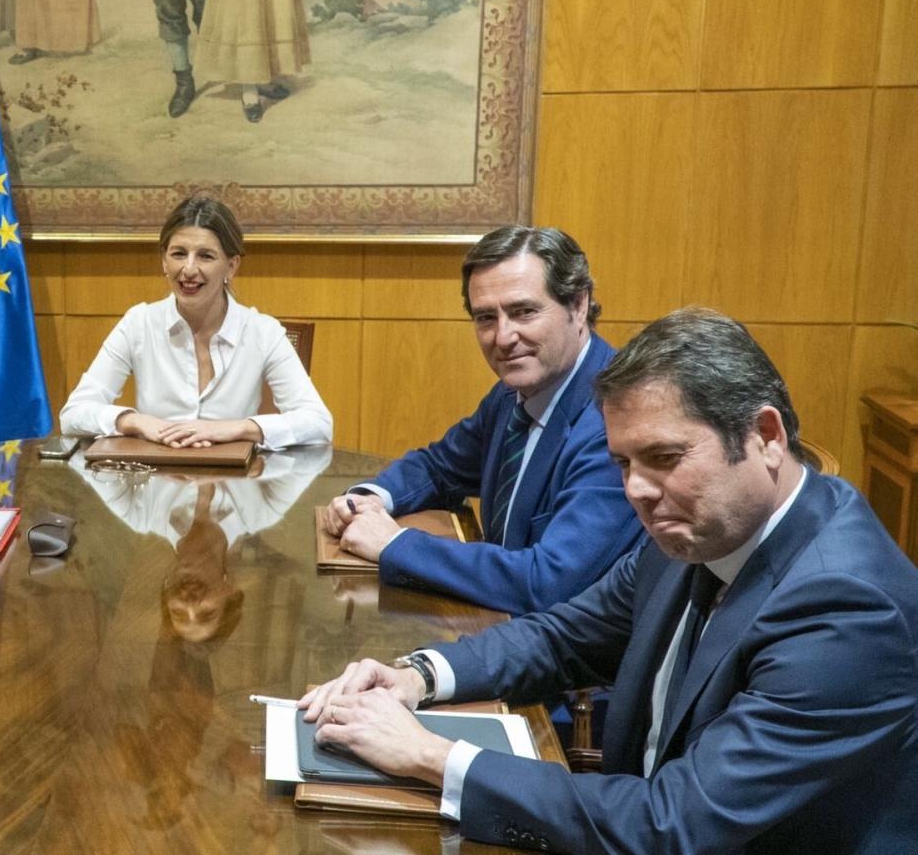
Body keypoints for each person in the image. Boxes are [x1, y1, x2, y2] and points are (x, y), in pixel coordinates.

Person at [301, 309, 918, 854]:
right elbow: (566, 637)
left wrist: (431, 756)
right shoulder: (701, 526)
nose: (637, 491)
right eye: (623, 463)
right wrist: (419, 675)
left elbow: (673, 826)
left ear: (766, 437)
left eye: (665, 458)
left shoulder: (847, 610)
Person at [324, 226, 642, 614]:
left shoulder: (618, 419)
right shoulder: (512, 394)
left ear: (578, 305)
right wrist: (371, 498)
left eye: (524, 312)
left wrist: (394, 544)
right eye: (486, 318)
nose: (503, 337)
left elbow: (548, 582)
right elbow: (439, 467)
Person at [58, 193, 331, 450]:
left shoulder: (263, 331)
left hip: (235, 481)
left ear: (231, 266)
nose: (188, 269)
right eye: (178, 254)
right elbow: (73, 414)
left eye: (205, 256)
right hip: (156, 478)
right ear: (164, 261)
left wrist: (235, 429)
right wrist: (135, 421)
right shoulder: (139, 323)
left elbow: (318, 422)